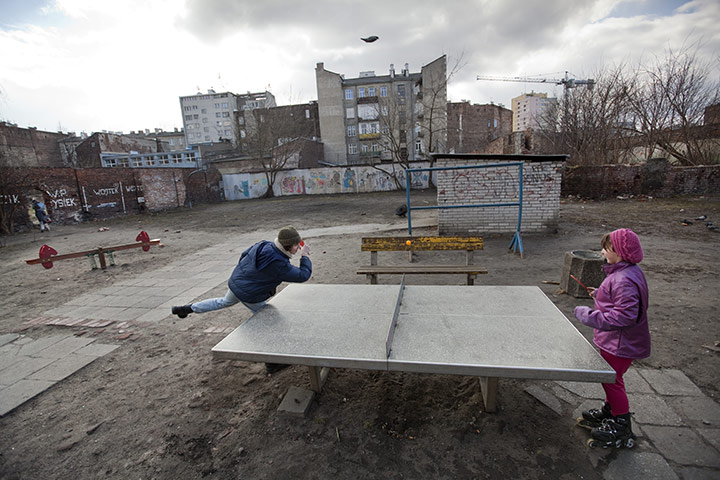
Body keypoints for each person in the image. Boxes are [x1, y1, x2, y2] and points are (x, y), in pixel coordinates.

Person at [171, 226, 312, 373]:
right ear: (287, 245)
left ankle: (186, 309)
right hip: (249, 294)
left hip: (237, 282)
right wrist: (305, 256)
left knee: (223, 302)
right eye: (297, 245)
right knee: (274, 322)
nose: (298, 248)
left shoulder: (263, 244)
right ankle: (272, 363)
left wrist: (247, 276)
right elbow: (303, 275)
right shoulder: (278, 263)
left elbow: (244, 255)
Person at [574, 228, 650, 447]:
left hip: (619, 343)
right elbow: (621, 300)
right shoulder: (626, 273)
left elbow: (623, 317)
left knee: (612, 381)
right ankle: (611, 411)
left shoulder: (623, 279)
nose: (602, 252)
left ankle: (620, 423)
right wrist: (600, 293)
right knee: (611, 379)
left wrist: (587, 314)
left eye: (606, 249)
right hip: (617, 341)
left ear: (619, 252)